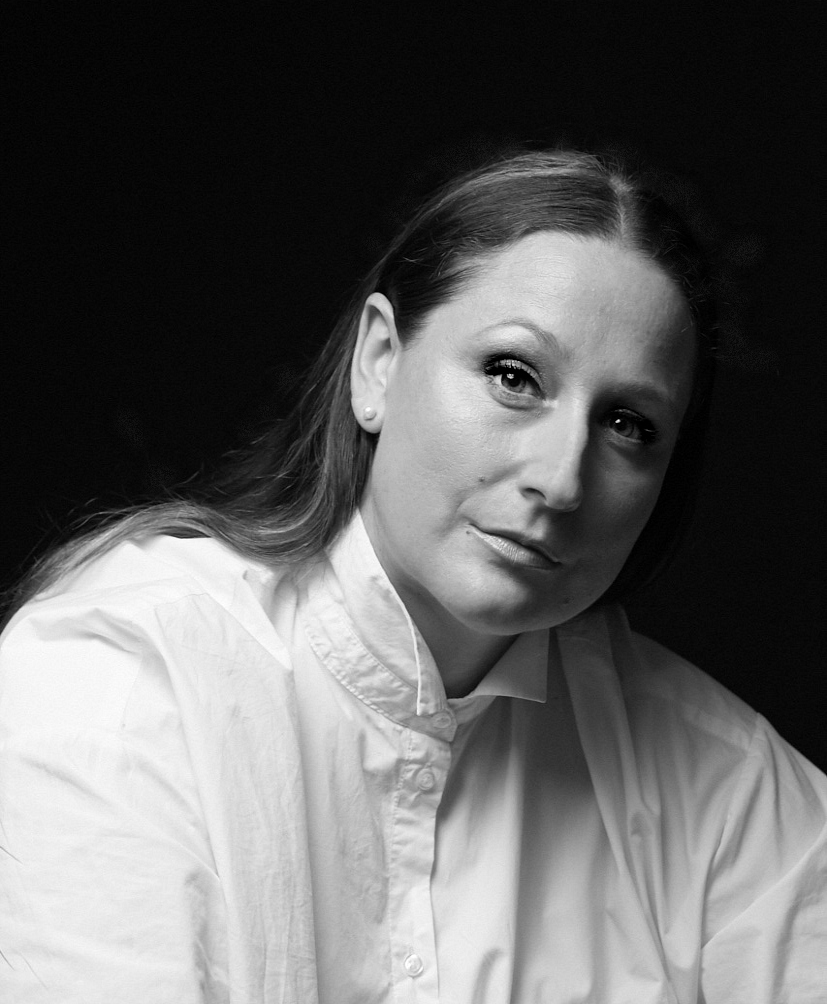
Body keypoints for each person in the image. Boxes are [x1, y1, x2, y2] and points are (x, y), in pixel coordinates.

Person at [1, 146, 825, 1003]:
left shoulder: (723, 787)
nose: (563, 477)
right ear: (378, 364)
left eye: (627, 424)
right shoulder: (122, 675)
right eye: (514, 376)